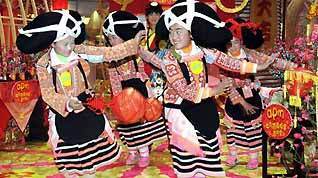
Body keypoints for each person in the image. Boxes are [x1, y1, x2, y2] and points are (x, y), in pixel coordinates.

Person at [138, 0, 273, 177]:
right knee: (187, 157)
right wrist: (216, 91)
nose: (174, 36)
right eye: (171, 31)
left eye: (179, 30)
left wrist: (257, 68)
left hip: (203, 107)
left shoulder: (203, 51)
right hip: (180, 113)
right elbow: (184, 91)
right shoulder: (170, 59)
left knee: (207, 156)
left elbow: (230, 62)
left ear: (191, 33)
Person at [16, 10, 144, 178]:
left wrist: (133, 43)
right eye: (65, 44)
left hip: (86, 109)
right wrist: (67, 103)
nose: (70, 47)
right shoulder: (44, 65)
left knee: (90, 159)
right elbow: (48, 94)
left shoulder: (79, 50)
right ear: (53, 43)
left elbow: (108, 53)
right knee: (71, 163)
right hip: (64, 115)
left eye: (72, 42)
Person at [223, 17, 297, 170]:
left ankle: (253, 157)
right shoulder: (222, 59)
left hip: (252, 95)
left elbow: (272, 62)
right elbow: (227, 85)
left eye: (235, 41)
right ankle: (233, 156)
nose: (232, 46)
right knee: (232, 130)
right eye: (229, 42)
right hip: (233, 98)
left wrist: (296, 67)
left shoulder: (250, 55)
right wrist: (242, 103)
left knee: (253, 131)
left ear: (242, 41)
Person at [101, 11, 167, 168]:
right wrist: (118, 100)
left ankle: (144, 153)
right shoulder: (110, 58)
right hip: (123, 94)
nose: (111, 41)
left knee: (140, 125)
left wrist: (165, 66)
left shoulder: (136, 49)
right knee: (126, 125)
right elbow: (114, 79)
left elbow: (151, 58)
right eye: (109, 38)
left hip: (139, 89)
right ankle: (132, 151)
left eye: (114, 37)